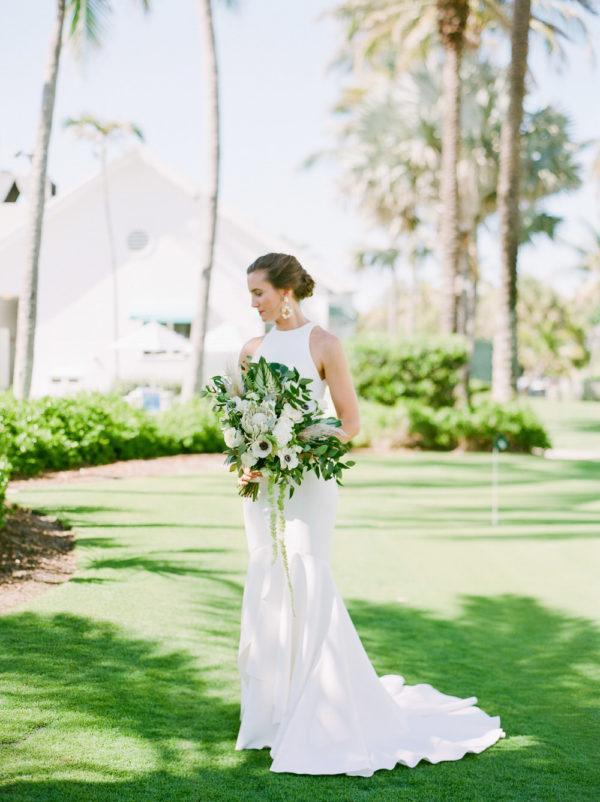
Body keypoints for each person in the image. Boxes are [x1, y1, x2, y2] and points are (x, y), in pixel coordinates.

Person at [234, 252, 505, 776]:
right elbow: (245, 419)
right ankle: (271, 713)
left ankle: (322, 711)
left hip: (309, 481)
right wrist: (252, 458)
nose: (253, 303)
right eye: (250, 293)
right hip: (265, 486)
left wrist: (301, 445)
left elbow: (350, 422)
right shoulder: (250, 350)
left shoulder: (325, 345)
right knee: (269, 574)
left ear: (286, 293)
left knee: (307, 574)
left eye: (259, 293)